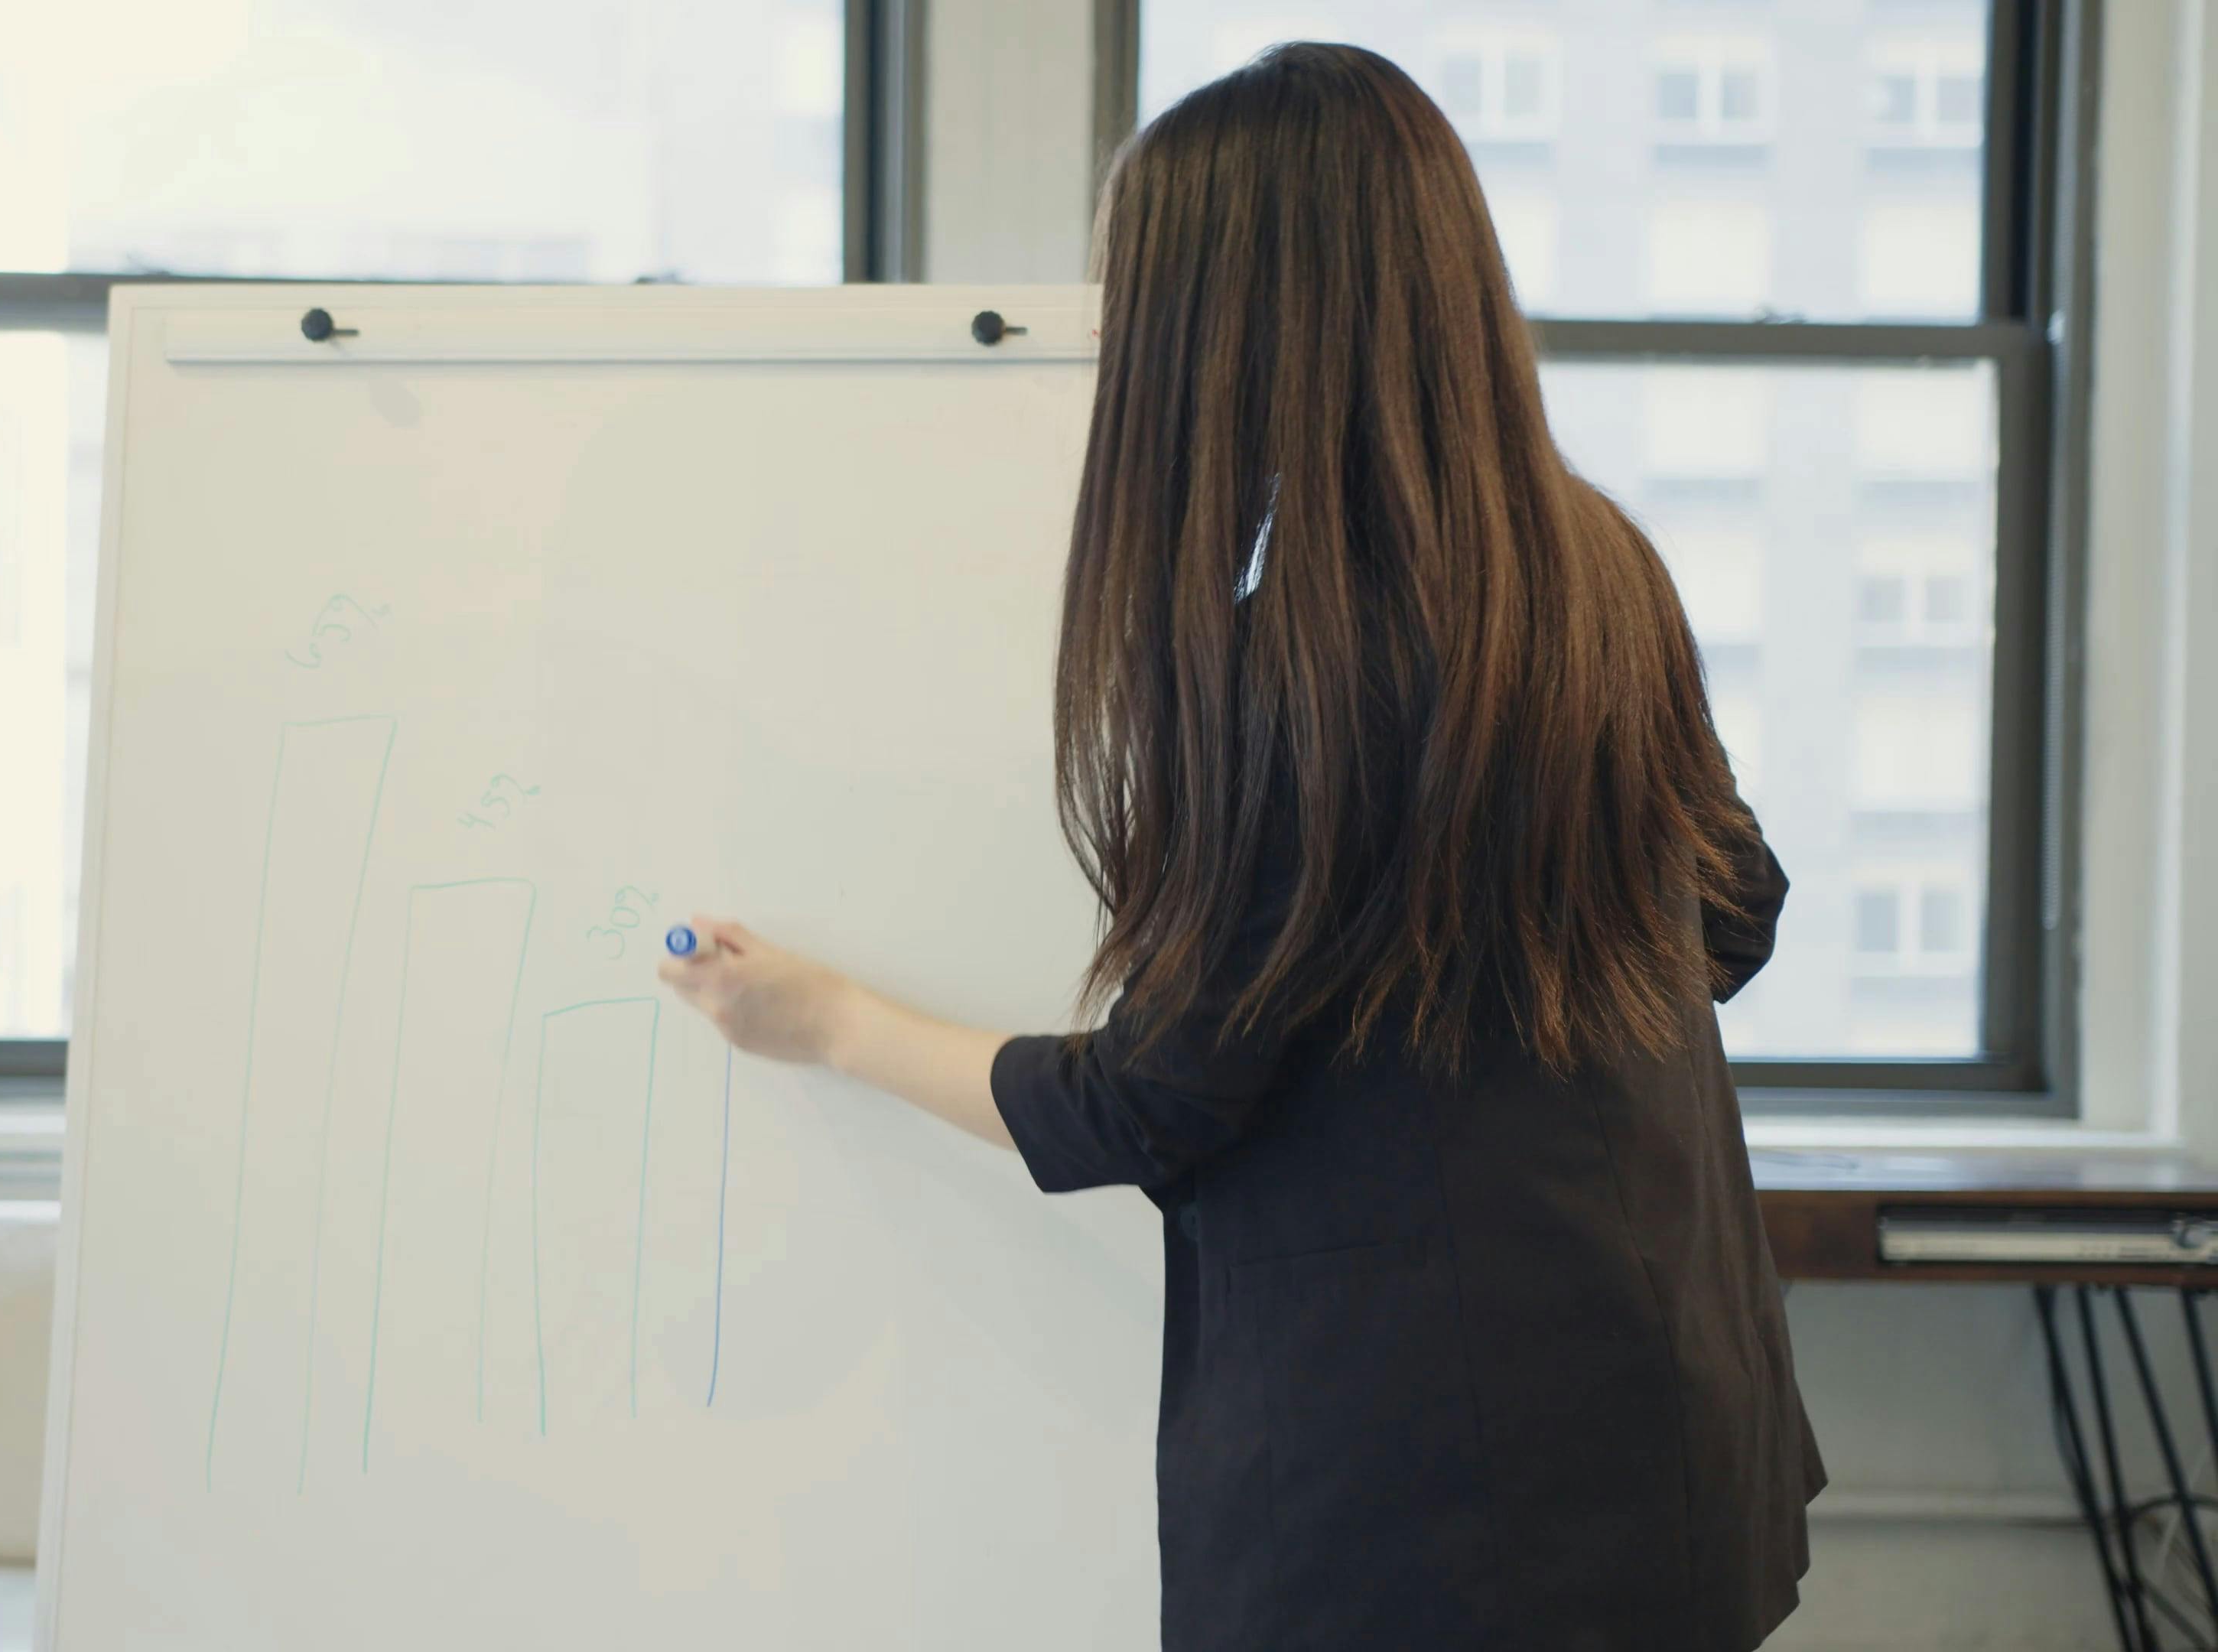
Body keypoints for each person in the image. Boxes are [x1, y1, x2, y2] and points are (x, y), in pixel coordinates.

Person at [659, 41, 1820, 1652]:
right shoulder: (1600, 568)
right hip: (1674, 1450)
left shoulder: (1305, 661)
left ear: (1226, 331)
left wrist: (829, 1022)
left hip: (1435, 1528)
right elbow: (1734, 922)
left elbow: (1155, 1101)